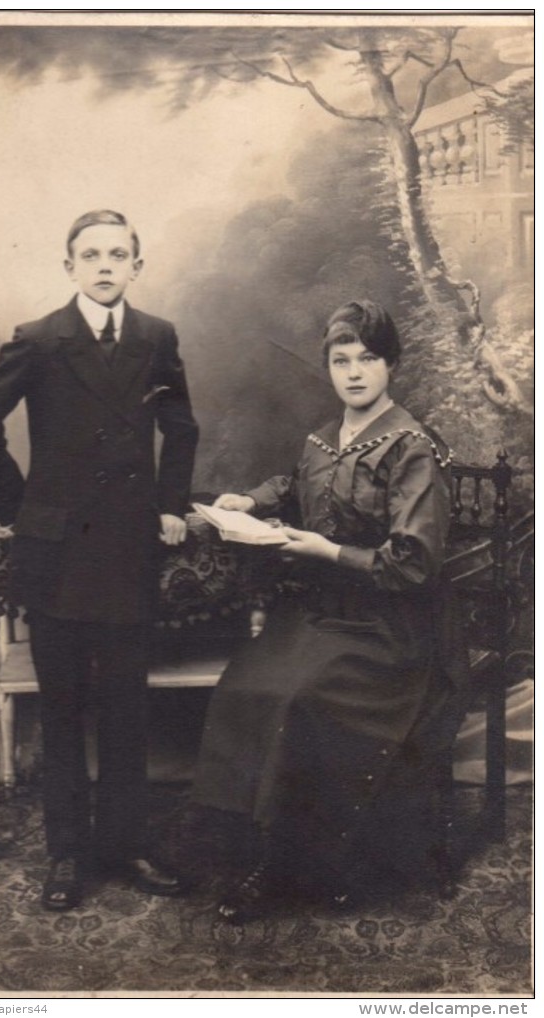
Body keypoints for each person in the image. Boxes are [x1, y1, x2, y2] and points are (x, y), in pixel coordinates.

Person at [192, 299, 468, 923]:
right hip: (323, 614)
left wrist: (327, 550)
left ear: (390, 365)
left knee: (300, 698)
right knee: (248, 681)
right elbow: (293, 486)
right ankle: (253, 845)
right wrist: (250, 499)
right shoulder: (324, 437)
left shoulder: (411, 446)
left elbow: (413, 563)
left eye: (368, 358)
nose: (354, 372)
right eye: (341, 360)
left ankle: (298, 866)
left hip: (392, 629)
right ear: (329, 367)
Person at [0, 209, 199, 911]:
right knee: (61, 709)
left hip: (128, 550)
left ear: (136, 266)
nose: (103, 266)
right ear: (69, 268)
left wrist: (173, 505)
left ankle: (126, 844)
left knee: (126, 705)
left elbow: (181, 429)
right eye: (89, 254)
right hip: (55, 556)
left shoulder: (157, 338)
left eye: (117, 254)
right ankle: (67, 855)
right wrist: (22, 512)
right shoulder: (38, 339)